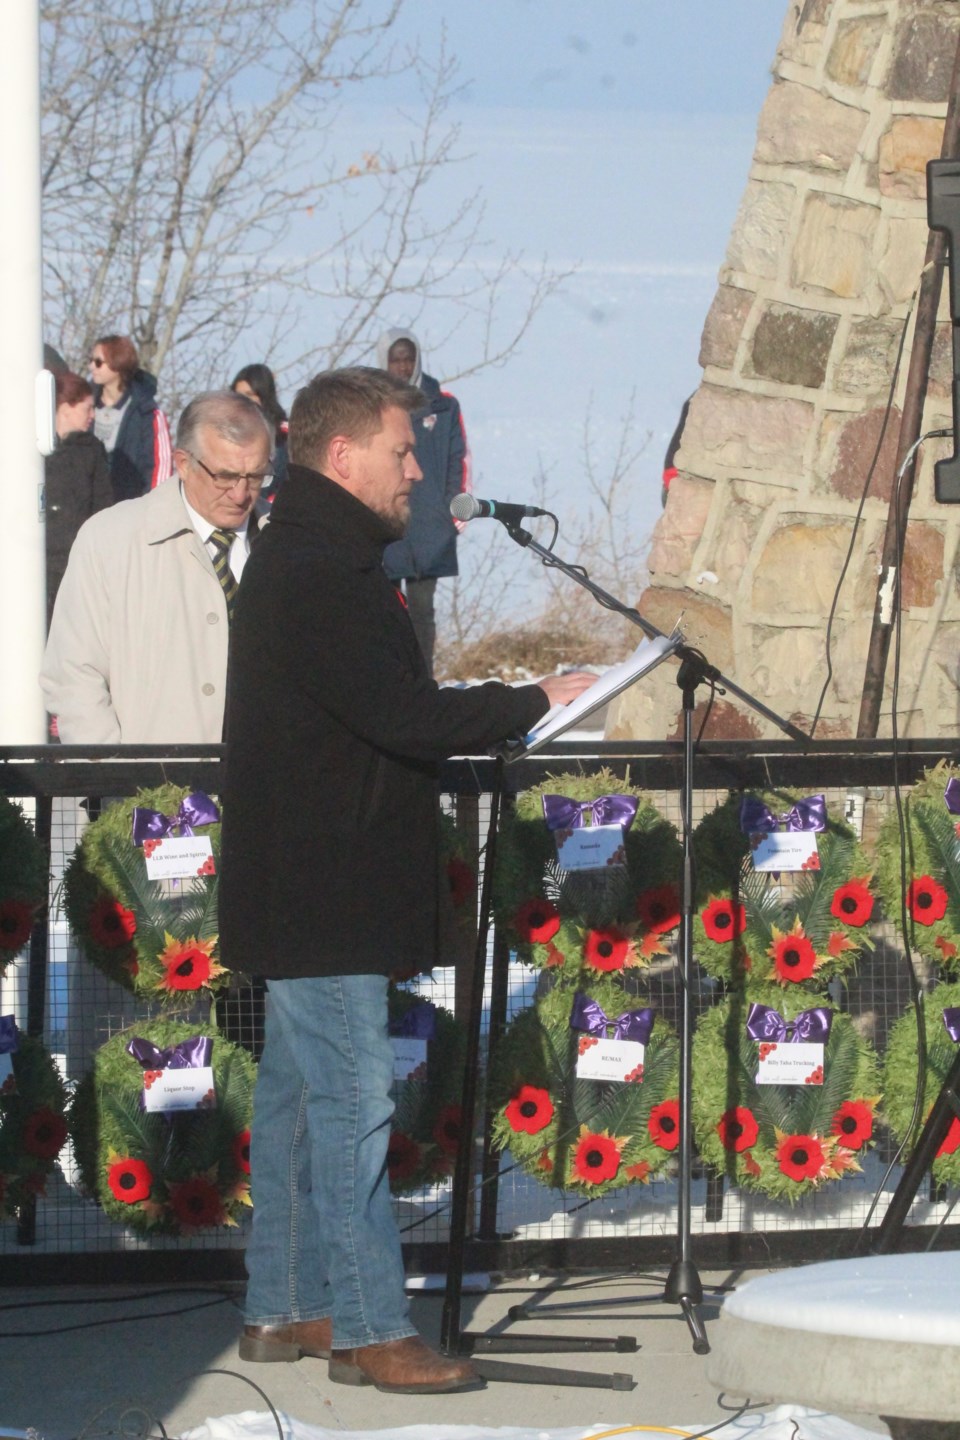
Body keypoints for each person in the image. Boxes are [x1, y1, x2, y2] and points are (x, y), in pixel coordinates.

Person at [219, 366, 595, 1393]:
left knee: (300, 1106)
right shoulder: (312, 570)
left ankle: (287, 1304)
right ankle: (375, 1329)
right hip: (323, 891)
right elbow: (405, 717)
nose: (418, 470)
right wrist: (534, 700)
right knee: (349, 1110)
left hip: (311, 887)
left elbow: (385, 712)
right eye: (401, 451)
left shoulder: (314, 557)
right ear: (342, 457)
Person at [40, 390, 273, 743]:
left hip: (267, 789)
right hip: (144, 790)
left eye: (255, 477)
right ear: (183, 463)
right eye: (224, 477)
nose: (241, 494)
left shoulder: (288, 544)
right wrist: (121, 783)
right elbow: (74, 675)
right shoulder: (111, 539)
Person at [375, 328, 468, 676]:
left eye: (408, 357)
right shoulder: (372, 405)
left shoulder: (442, 404)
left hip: (430, 527)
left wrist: (452, 514)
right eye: (395, 359)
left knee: (422, 613)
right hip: (385, 523)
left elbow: (458, 460)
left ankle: (422, 683)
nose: (402, 366)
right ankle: (387, 682)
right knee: (382, 610)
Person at [44, 371, 113, 627]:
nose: (92, 415)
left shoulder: (91, 451)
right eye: (87, 408)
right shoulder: (29, 448)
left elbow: (103, 507)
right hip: (37, 562)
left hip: (73, 566)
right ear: (66, 407)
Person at [90, 334, 173, 499]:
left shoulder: (147, 412)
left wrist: (151, 508)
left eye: (98, 362)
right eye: (91, 361)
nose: (92, 367)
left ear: (118, 362)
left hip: (130, 509)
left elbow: (159, 468)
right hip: (89, 511)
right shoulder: (84, 405)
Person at [230, 363, 289, 501]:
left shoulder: (285, 437)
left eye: (249, 395)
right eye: (237, 396)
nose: (242, 402)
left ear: (263, 396)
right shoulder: (227, 437)